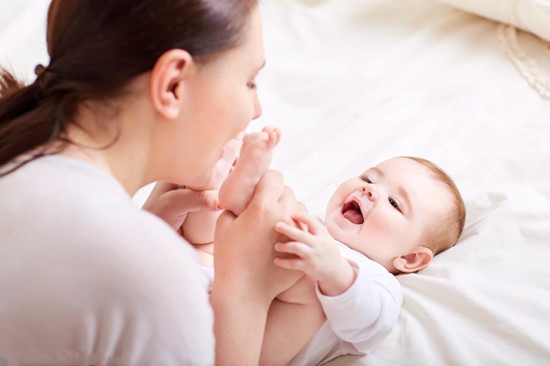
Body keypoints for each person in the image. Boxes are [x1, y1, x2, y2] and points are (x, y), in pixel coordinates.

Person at [0, 1, 305, 365]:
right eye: (249, 81)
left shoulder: (24, 160)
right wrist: (246, 291)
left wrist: (143, 229)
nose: (255, 110)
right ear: (173, 83)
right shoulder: (147, 268)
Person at [185, 127, 466, 365]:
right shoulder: (310, 219)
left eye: (394, 203)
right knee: (213, 229)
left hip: (243, 344)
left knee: (304, 279)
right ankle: (230, 187)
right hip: (201, 287)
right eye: (368, 178)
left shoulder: (375, 279)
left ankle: (240, 195)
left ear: (411, 258)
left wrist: (333, 271)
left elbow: (368, 326)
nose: (370, 189)